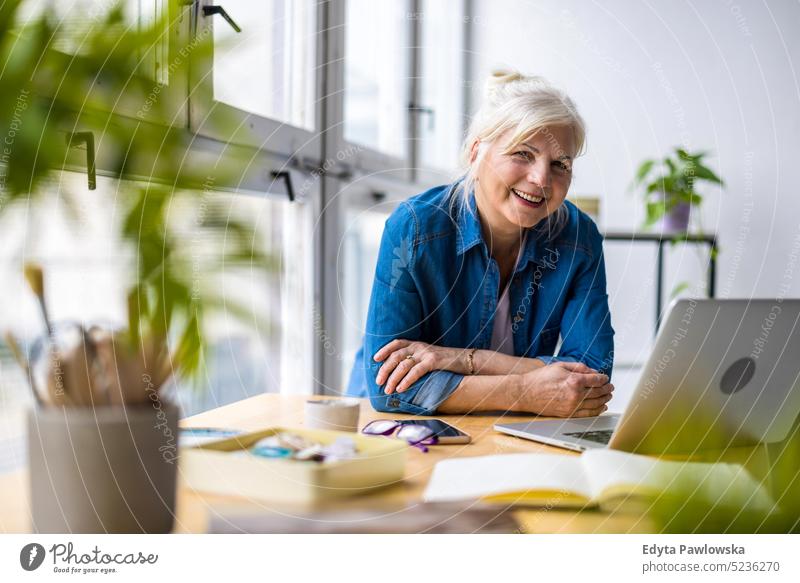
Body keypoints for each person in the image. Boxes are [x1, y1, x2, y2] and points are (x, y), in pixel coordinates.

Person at [346, 70, 615, 417]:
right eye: (523, 154)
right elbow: (390, 391)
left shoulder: (579, 239)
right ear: (476, 154)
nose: (541, 179)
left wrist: (462, 360)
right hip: (393, 425)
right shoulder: (414, 228)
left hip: (506, 428)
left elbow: (592, 376)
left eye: (560, 164)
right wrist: (526, 390)